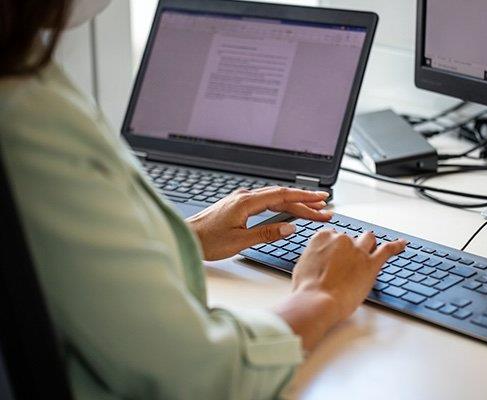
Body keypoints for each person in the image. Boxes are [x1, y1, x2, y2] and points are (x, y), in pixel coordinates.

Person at [0, 0, 407, 399]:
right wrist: (321, 297)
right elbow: (198, 375)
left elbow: (48, 262)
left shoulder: (21, 63)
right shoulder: (27, 119)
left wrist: (185, 237)